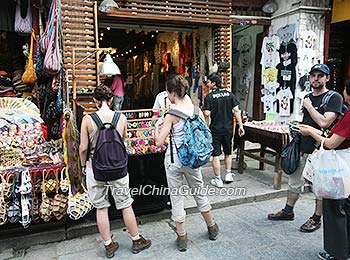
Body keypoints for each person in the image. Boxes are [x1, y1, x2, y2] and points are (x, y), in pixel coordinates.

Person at [267, 64, 344, 233]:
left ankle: (316, 219)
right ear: (309, 78)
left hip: (322, 150)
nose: (316, 79)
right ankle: (288, 211)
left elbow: (325, 122)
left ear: (327, 78)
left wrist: (308, 106)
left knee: (320, 186)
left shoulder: (334, 98)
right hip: (304, 146)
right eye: (313, 75)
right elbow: (308, 122)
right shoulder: (308, 96)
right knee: (294, 180)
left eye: (320, 76)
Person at [79, 84, 151, 258]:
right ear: (111, 100)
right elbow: (123, 141)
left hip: (95, 169)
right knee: (126, 204)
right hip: (118, 168)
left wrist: (83, 166)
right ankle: (136, 239)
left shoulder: (88, 119)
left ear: (95, 101)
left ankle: (109, 245)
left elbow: (82, 148)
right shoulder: (121, 118)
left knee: (101, 207)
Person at [154, 73, 219, 252]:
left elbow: (159, 142)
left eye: (168, 93)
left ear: (173, 93)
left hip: (174, 160)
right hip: (192, 159)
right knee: (200, 193)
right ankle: (212, 227)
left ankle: (182, 238)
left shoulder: (171, 114)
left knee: (176, 198)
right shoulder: (194, 108)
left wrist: (156, 127)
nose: (167, 96)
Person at [298, 79, 350, 260]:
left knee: (336, 210)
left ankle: (338, 253)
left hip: (341, 169)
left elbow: (330, 142)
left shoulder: (348, 114)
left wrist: (311, 132)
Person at [203, 73, 245, 188]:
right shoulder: (229, 94)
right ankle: (228, 174)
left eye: (209, 81)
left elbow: (206, 113)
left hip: (215, 129)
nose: (207, 83)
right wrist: (241, 126)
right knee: (228, 152)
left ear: (214, 83)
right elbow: (237, 111)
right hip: (228, 128)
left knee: (215, 154)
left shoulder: (209, 97)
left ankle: (218, 179)